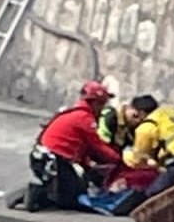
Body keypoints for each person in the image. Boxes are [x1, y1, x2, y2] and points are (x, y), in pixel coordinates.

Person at [24, 80, 122, 211]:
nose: (102, 108)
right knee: (72, 199)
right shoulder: (84, 119)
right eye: (100, 104)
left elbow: (83, 148)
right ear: (93, 102)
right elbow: (97, 147)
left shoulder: (74, 113)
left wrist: (88, 165)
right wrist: (119, 160)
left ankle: (44, 193)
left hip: (44, 156)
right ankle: (37, 193)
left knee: (75, 189)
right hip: (53, 160)